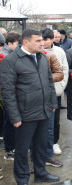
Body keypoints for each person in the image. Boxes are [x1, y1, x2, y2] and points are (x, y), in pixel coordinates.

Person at [0, 29, 60, 184]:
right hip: (24, 113)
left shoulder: (41, 57)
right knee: (22, 149)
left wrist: (52, 103)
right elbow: (8, 92)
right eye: (38, 41)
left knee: (40, 146)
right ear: (25, 42)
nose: (42, 43)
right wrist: (14, 116)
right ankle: (22, 178)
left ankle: (41, 174)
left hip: (43, 110)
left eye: (42, 40)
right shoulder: (11, 61)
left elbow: (49, 83)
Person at [42, 28, 69, 157]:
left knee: (55, 120)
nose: (43, 42)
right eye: (41, 39)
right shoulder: (36, 52)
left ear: (52, 39)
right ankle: (41, 145)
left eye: (46, 39)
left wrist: (61, 87)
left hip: (56, 91)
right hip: (39, 93)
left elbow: (64, 69)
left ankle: (54, 143)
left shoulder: (59, 51)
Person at [0, 32, 21, 161]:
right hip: (7, 94)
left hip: (11, 93)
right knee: (9, 122)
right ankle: (9, 149)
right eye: (17, 43)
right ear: (9, 43)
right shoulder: (6, 56)